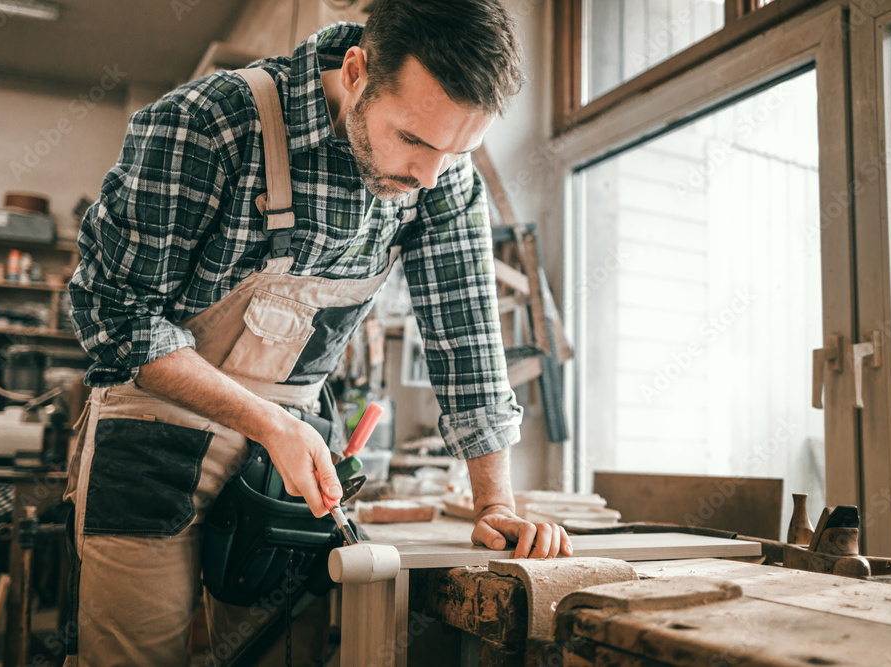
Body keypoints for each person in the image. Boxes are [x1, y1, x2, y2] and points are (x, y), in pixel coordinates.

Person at [62, 0, 573, 664]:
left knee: (274, 652)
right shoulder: (206, 125)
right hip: (154, 430)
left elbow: (469, 339)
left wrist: (495, 502)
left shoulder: (443, 180)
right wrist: (267, 421)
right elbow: (116, 318)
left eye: (458, 150)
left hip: (288, 458)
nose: (429, 175)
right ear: (356, 72)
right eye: (413, 140)